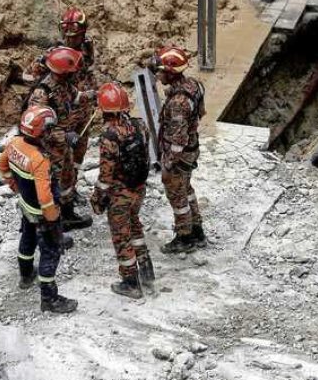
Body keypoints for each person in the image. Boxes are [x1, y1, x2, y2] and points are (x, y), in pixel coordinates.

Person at [0, 106, 78, 314]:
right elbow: (45, 197)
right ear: (41, 132)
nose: (51, 132)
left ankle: (25, 275)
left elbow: (3, 167)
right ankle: (49, 298)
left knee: (27, 238)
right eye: (49, 129)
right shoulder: (39, 160)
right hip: (42, 213)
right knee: (50, 252)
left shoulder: (14, 143)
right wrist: (53, 222)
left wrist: (14, 186)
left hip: (26, 206)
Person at [90, 82, 154, 298]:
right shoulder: (140, 125)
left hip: (120, 194)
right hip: (139, 188)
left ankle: (131, 282)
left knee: (121, 236)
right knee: (135, 225)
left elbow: (106, 176)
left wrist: (98, 199)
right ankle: (146, 270)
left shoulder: (109, 136)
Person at [26, 46, 96, 232]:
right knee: (52, 185)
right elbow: (36, 127)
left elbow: (77, 96)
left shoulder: (64, 85)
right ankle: (52, 228)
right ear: (62, 72)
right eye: (71, 72)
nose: (75, 75)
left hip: (64, 147)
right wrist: (64, 135)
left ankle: (68, 215)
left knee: (67, 179)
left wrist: (96, 95)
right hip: (49, 149)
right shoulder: (42, 93)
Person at [149, 46, 207, 254]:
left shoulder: (177, 103)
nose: (158, 74)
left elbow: (178, 140)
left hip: (180, 155)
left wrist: (168, 163)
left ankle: (185, 236)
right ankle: (197, 229)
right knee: (187, 188)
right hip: (192, 149)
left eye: (161, 71)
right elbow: (200, 113)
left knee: (176, 194)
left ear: (171, 73)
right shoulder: (194, 85)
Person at [59, 7, 98, 200]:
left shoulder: (87, 46)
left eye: (74, 36)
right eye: (67, 35)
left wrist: (94, 94)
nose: (70, 40)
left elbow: (89, 71)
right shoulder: (59, 52)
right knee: (65, 155)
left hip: (84, 108)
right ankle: (63, 198)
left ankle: (72, 188)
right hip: (67, 110)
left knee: (80, 151)